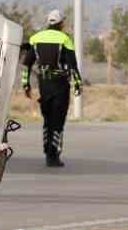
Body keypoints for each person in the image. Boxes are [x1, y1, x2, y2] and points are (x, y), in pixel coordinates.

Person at [23, 9, 83, 168]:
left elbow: (26, 64)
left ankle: (47, 151)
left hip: (44, 85)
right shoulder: (65, 39)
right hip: (60, 84)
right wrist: (78, 83)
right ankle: (53, 155)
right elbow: (73, 65)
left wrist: (26, 85)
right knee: (58, 121)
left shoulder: (35, 38)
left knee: (47, 120)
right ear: (61, 23)